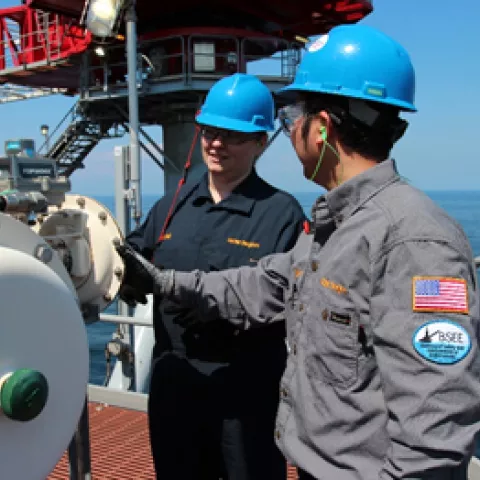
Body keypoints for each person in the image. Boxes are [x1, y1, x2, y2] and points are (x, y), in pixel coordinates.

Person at [117, 25, 480, 480]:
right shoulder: (335, 226)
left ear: (321, 130)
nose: (290, 134)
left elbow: (434, 425)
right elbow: (267, 282)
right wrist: (166, 282)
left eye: (294, 121)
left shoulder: (415, 240)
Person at [120, 72, 306, 479]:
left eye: (233, 135)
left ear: (261, 142)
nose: (217, 143)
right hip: (175, 386)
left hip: (244, 394)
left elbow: (291, 299)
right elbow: (130, 256)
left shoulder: (282, 214)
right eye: (209, 131)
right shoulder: (171, 204)